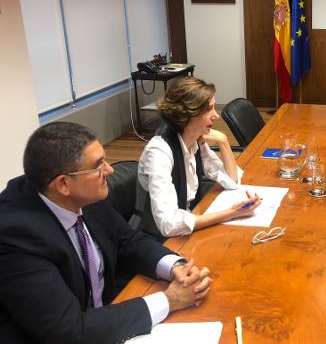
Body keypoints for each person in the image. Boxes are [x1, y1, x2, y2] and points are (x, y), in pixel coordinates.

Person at [0, 122, 212, 343]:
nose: (110, 170)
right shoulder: (15, 236)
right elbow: (69, 330)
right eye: (99, 165)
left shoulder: (81, 194)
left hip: (108, 313)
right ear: (64, 184)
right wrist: (169, 301)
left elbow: (126, 240)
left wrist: (174, 267)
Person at [136, 77, 260, 240]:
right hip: (159, 239)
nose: (216, 116)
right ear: (187, 114)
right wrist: (231, 213)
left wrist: (223, 141)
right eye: (209, 109)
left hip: (190, 222)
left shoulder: (194, 139)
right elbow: (169, 224)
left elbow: (231, 181)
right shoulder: (159, 152)